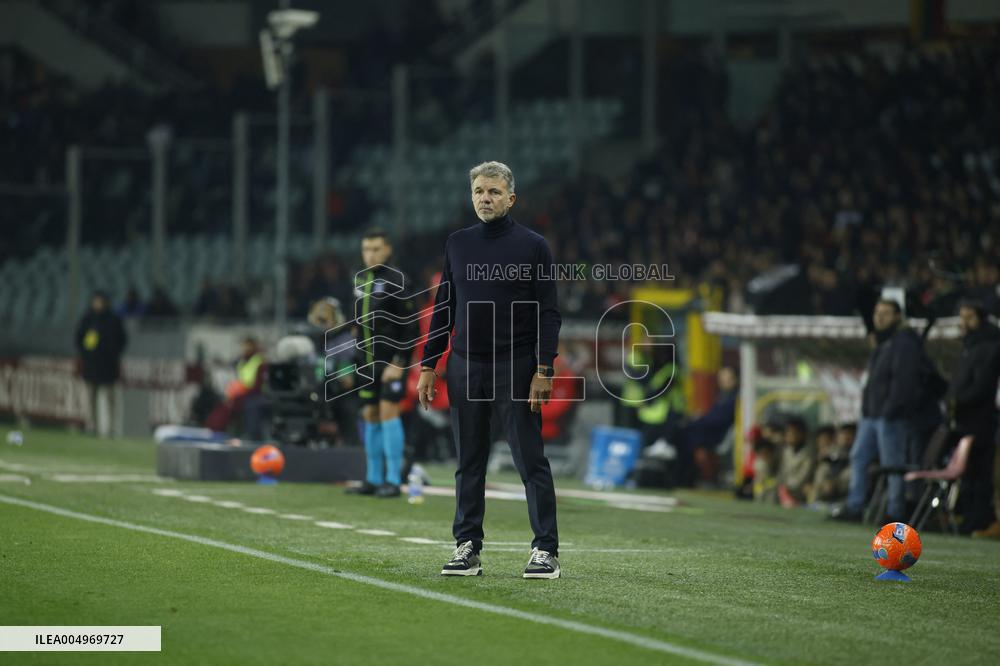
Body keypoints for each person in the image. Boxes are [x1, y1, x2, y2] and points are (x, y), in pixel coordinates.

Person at [417, 161, 562, 579]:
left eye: (494, 192)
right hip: (465, 367)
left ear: (511, 198)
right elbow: (445, 307)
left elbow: (547, 314)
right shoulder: (457, 243)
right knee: (469, 462)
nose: (485, 198)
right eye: (479, 191)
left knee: (530, 461)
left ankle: (545, 550)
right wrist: (430, 364)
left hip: (516, 367)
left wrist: (544, 368)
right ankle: (467, 546)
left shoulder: (534, 246)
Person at [346, 229, 418, 498]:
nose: (370, 254)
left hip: (390, 362)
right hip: (364, 361)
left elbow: (411, 327)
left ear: (387, 250)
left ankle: (392, 480)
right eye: (366, 249)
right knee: (370, 415)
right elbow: (357, 322)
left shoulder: (399, 280)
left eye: (376, 249)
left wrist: (399, 363)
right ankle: (373, 479)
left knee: (389, 413)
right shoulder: (359, 279)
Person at [840, 299, 922, 521]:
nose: (880, 318)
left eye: (885, 313)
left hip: (889, 416)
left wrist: (890, 409)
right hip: (872, 414)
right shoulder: (883, 342)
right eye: (877, 313)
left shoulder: (904, 342)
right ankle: (855, 506)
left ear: (897, 316)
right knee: (859, 457)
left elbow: (903, 381)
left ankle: (895, 512)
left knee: (892, 465)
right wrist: (868, 409)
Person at [943, 300, 1000, 536]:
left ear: (981, 320)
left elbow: (982, 387)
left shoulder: (989, 347)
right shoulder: (971, 346)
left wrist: (957, 400)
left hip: (981, 420)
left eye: (970, 318)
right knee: (970, 473)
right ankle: (968, 518)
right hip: (967, 420)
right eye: (962, 317)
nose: (964, 323)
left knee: (980, 473)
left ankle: (978, 521)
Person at [75, 291, 127, 437]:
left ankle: (111, 429)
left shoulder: (113, 319)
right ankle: (92, 427)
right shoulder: (88, 318)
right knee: (91, 398)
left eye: (100, 301)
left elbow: (122, 340)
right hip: (91, 365)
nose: (98, 304)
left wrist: (114, 353)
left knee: (111, 398)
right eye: (96, 301)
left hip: (109, 365)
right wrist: (86, 354)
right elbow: (79, 339)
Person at [777, 416, 816, 507]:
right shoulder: (786, 450)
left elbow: (804, 476)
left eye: (792, 432)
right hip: (785, 488)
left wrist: (787, 487)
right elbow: (782, 473)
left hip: (801, 490)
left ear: (802, 434)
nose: (788, 435)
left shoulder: (809, 452)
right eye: (787, 432)